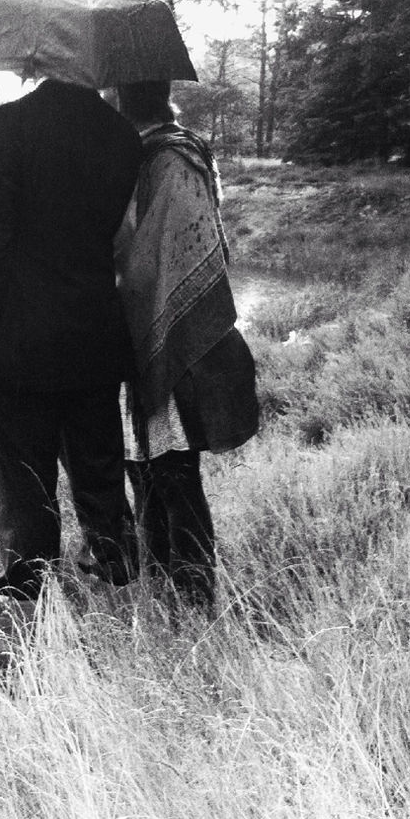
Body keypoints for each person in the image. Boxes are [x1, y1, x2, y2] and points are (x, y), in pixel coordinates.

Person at [0, 76, 143, 662]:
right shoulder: (121, 136)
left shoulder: (4, 127)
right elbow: (114, 241)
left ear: (40, 48)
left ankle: (20, 663)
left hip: (16, 346)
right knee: (101, 488)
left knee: (24, 501)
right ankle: (123, 640)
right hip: (94, 339)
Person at [115, 80, 259, 614]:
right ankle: (162, 595)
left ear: (125, 101)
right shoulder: (168, 152)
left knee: (174, 471)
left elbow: (161, 253)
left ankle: (195, 601)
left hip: (173, 337)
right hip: (152, 334)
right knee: (147, 469)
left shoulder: (169, 158)